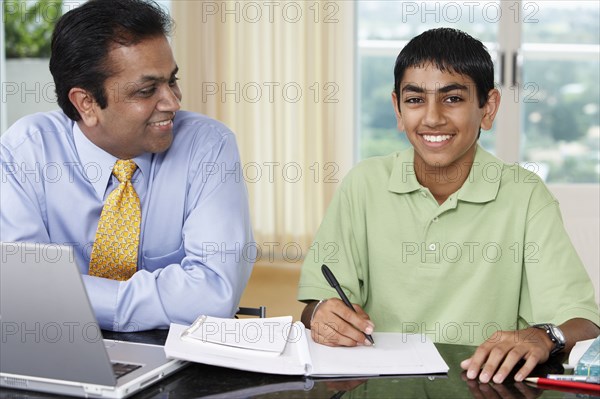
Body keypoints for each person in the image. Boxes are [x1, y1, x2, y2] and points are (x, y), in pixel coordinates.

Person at [297, 28, 599, 384]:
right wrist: (320, 313)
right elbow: (315, 306)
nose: (432, 117)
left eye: (453, 99)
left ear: (488, 108)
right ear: (397, 109)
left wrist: (545, 336)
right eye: (415, 100)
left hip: (485, 388)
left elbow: (584, 324)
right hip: (379, 386)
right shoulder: (363, 184)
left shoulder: (526, 194)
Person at [0, 0, 254, 332]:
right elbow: (23, 289)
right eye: (147, 90)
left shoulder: (208, 146)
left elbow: (213, 293)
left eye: (171, 81)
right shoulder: (27, 151)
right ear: (86, 103)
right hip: (57, 346)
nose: (173, 102)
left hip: (177, 358)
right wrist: (161, 297)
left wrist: (75, 298)